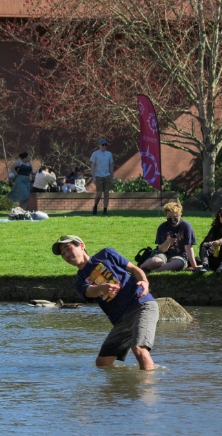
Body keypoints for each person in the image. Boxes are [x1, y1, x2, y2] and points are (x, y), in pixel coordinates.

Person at [53, 234, 157, 370]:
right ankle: (125, 381)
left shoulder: (106, 254)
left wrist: (144, 281)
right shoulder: (79, 281)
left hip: (141, 305)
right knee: (103, 362)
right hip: (121, 320)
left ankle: (147, 383)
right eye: (62, 253)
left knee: (138, 348)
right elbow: (89, 291)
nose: (66, 254)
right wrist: (101, 288)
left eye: (68, 248)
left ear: (82, 246)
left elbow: (133, 268)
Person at [140, 201, 198, 272]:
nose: (172, 218)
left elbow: (188, 247)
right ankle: (139, 268)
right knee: (156, 261)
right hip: (163, 253)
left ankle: (152, 271)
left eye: (175, 216)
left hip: (179, 255)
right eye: (170, 217)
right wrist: (168, 242)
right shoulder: (162, 227)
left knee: (177, 264)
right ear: (166, 216)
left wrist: (194, 266)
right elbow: (161, 249)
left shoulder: (186, 226)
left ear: (180, 215)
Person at [89, 140, 115, 215]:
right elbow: (93, 166)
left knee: (106, 193)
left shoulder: (109, 154)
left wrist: (112, 177)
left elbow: (111, 166)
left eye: (105, 144)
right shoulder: (95, 154)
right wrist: (93, 177)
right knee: (99, 193)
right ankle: (95, 206)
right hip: (98, 176)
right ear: (99, 145)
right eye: (103, 144)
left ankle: (105, 210)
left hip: (107, 176)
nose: (104, 146)